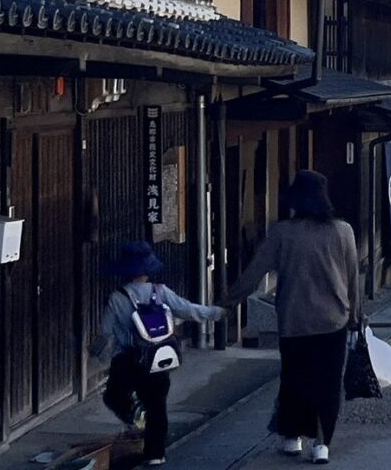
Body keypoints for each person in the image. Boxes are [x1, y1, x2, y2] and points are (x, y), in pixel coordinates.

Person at [221, 171, 360, 465]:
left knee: (294, 378)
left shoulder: (282, 233)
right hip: (333, 320)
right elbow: (352, 278)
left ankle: (291, 436)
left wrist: (228, 302)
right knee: (328, 383)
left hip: (293, 320)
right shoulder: (342, 231)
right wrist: (356, 315)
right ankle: (321, 444)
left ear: (295, 201)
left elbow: (255, 272)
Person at [95, 241, 223, 466]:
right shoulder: (161, 292)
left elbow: (106, 332)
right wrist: (216, 313)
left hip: (127, 359)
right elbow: (188, 309)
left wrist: (95, 352)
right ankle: (155, 454)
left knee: (113, 395)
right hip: (157, 357)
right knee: (157, 405)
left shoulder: (117, 298)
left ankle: (135, 417)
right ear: (148, 269)